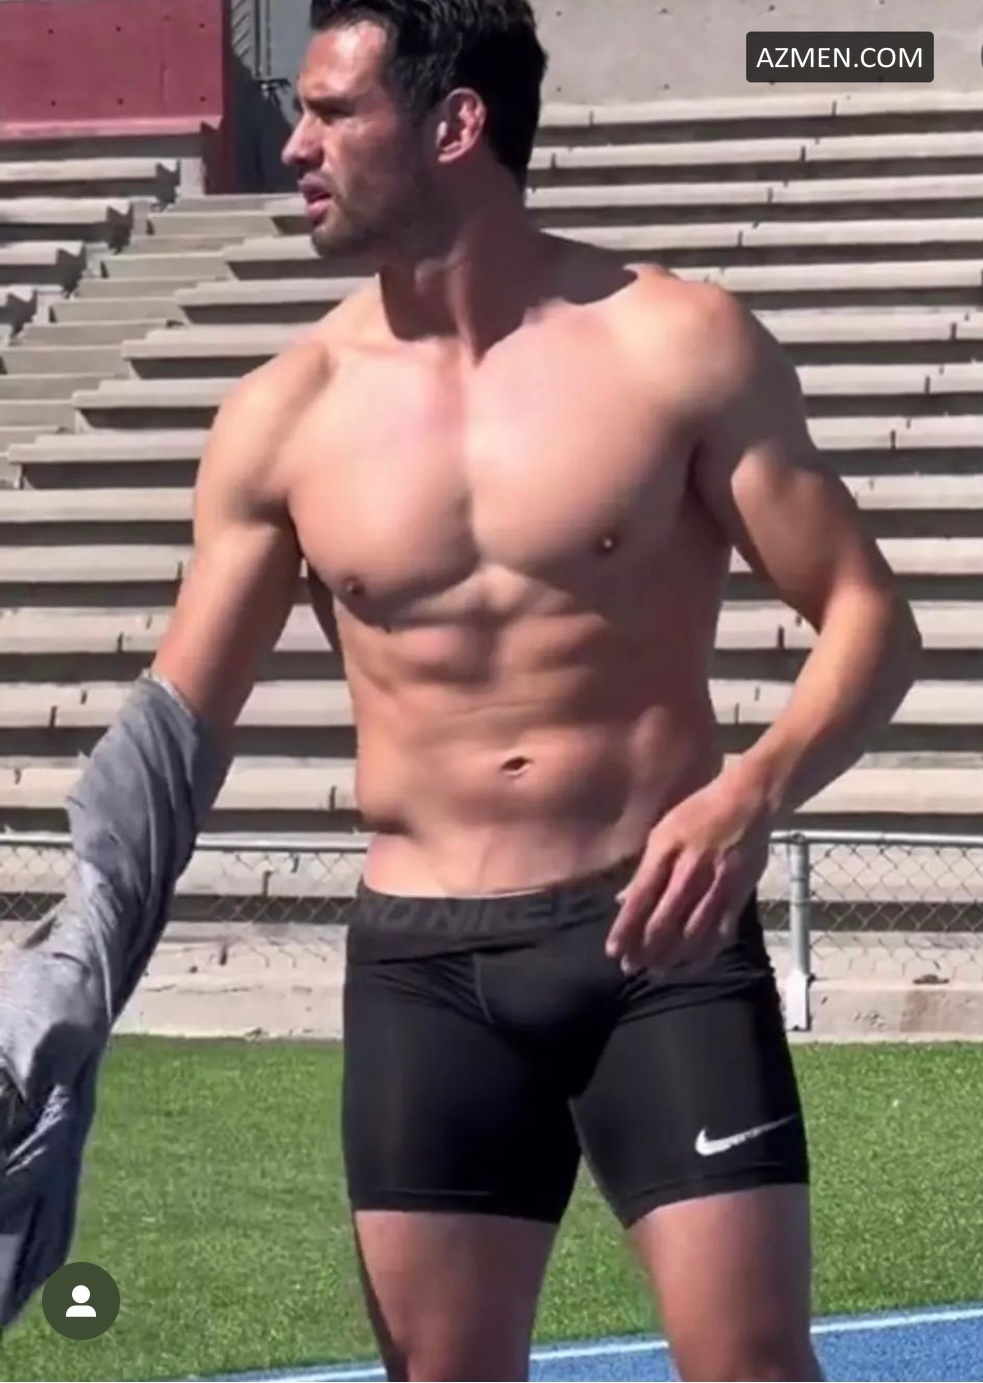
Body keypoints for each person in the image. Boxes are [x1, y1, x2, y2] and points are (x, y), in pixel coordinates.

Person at [151, 1, 921, 1378]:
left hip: (659, 940)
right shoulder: (283, 412)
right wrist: (74, 961)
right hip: (424, 965)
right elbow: (175, 728)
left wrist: (754, 789)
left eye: (332, 112)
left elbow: (870, 616)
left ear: (454, 124)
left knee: (752, 1364)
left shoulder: (674, 343)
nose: (295, 143)